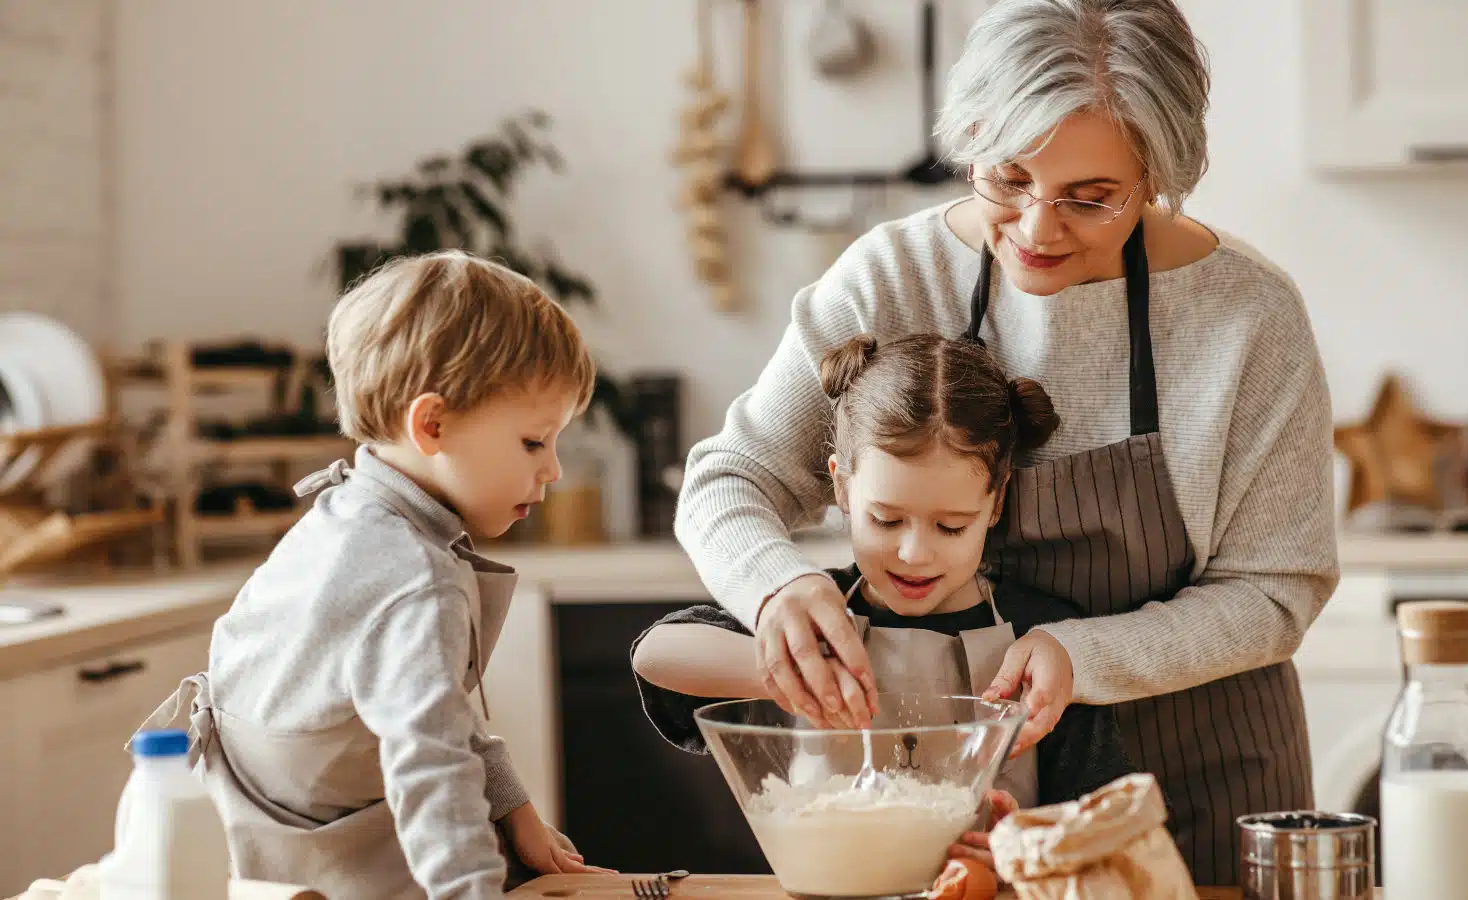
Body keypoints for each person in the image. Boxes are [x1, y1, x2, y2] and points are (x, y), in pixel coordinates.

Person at [672, 0, 1338, 885]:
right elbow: (730, 478)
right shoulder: (893, 275)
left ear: (1161, 174)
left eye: (1091, 198)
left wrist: (1084, 653)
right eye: (1006, 179)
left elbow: (1277, 589)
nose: (1036, 228)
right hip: (948, 807)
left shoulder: (1248, 315)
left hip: (1194, 781)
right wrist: (775, 585)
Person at [134, 251, 614, 900]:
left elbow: (433, 703)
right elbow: (432, 770)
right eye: (534, 442)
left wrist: (512, 807)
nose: (553, 469)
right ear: (432, 424)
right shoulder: (416, 581)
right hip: (317, 860)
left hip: (242, 837)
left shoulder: (348, 511)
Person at [633, 334, 1135, 867]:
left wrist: (1030, 848)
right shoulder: (815, 614)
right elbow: (655, 655)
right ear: (843, 489)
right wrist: (796, 671)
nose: (915, 553)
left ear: (997, 502)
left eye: (951, 526)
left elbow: (1105, 825)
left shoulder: (1040, 637)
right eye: (887, 520)